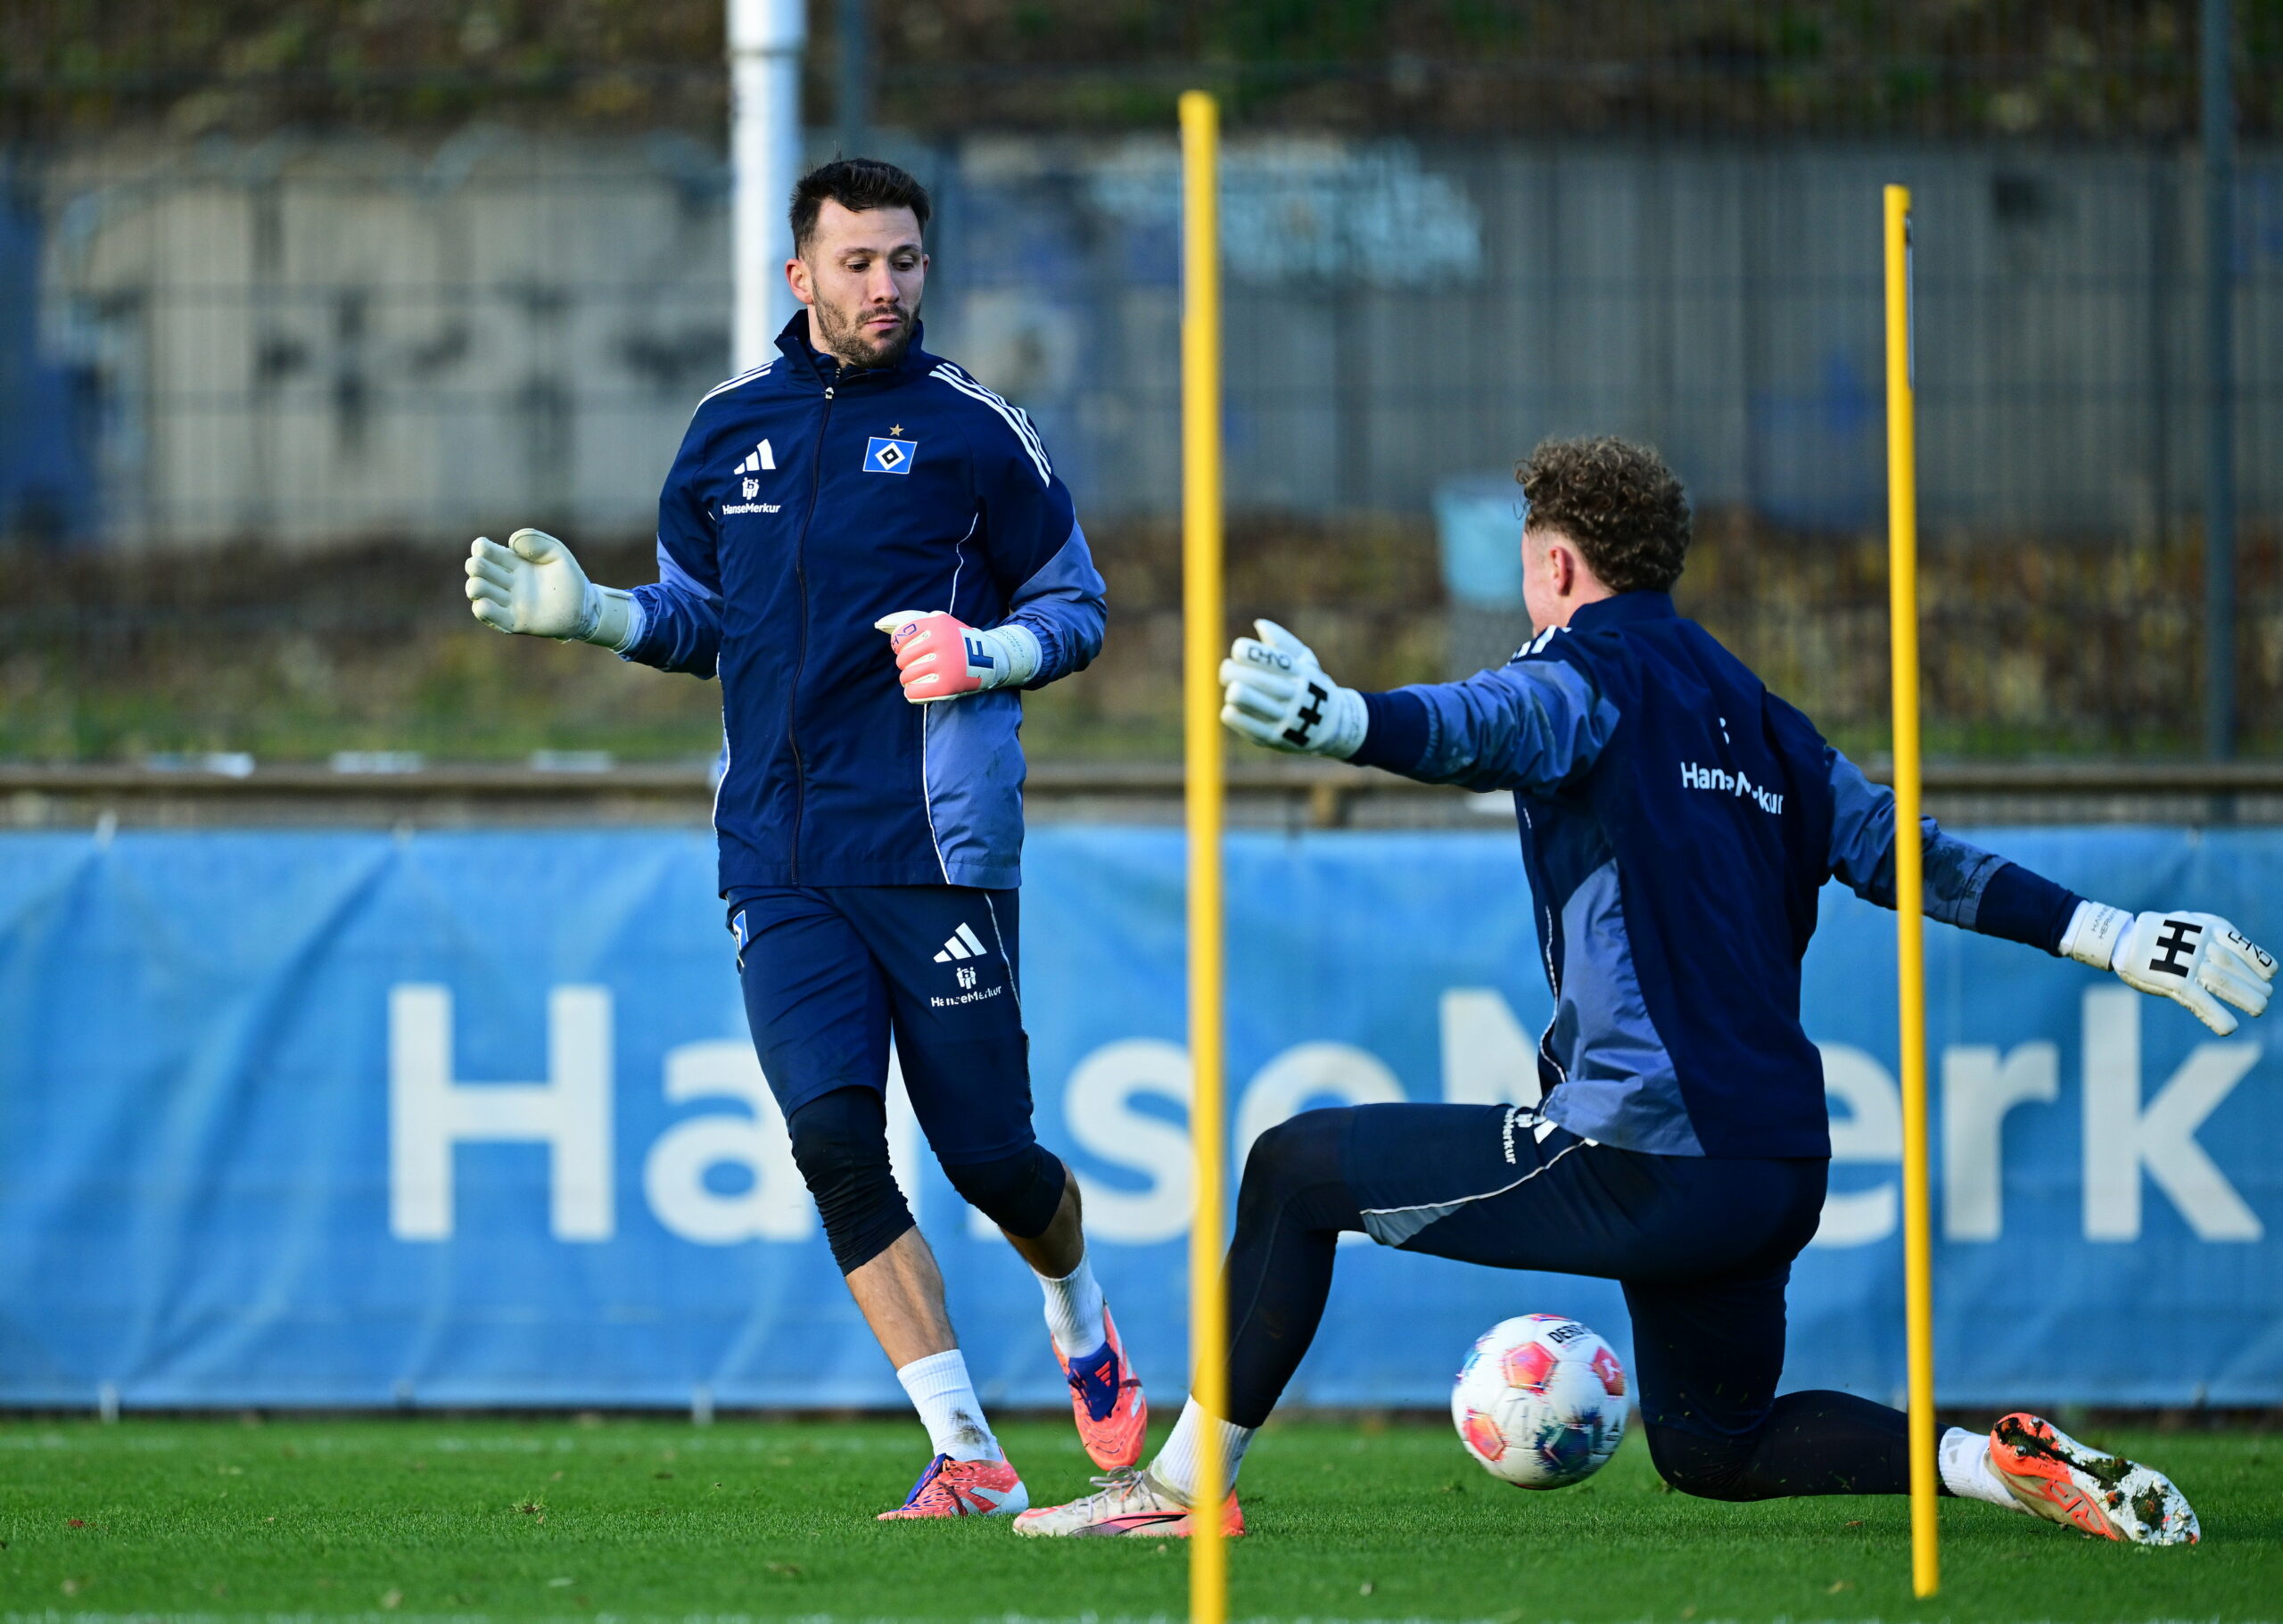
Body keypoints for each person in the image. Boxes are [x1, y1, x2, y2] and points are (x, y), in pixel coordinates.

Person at [1015, 434, 2270, 1544]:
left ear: (1555, 565)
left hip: (1647, 1153)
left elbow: (1487, 721)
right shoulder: (1758, 710)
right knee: (1712, 1443)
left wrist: (1346, 720)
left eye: (1527, 560)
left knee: (1297, 1168)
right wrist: (2109, 932)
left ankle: (1176, 1494)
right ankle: (1984, 1460)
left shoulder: (1585, 675)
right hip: (1774, 1165)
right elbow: (1909, 856)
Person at [462, 158, 1142, 1521]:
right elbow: (704, 617)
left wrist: (990, 649)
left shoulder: (976, 432)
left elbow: (1078, 603)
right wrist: (597, 615)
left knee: (992, 1162)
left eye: (906, 262)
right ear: (801, 275)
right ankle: (968, 1451)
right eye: (858, 262)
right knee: (833, 1140)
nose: (885, 285)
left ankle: (1077, 1301)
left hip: (936, 848)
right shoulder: (728, 431)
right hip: (774, 854)